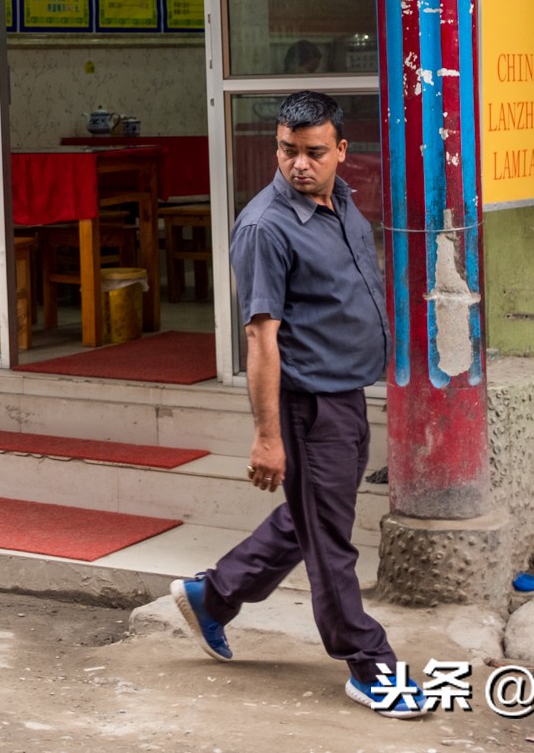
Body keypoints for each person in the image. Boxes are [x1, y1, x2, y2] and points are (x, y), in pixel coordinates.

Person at [168, 91, 423, 718]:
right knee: (331, 537)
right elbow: (261, 338)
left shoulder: (340, 205)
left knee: (313, 512)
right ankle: (369, 664)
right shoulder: (264, 227)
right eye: (287, 150)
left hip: (345, 393)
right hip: (307, 405)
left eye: (313, 152)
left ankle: (214, 596)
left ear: (341, 150)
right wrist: (267, 436)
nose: (298, 164)